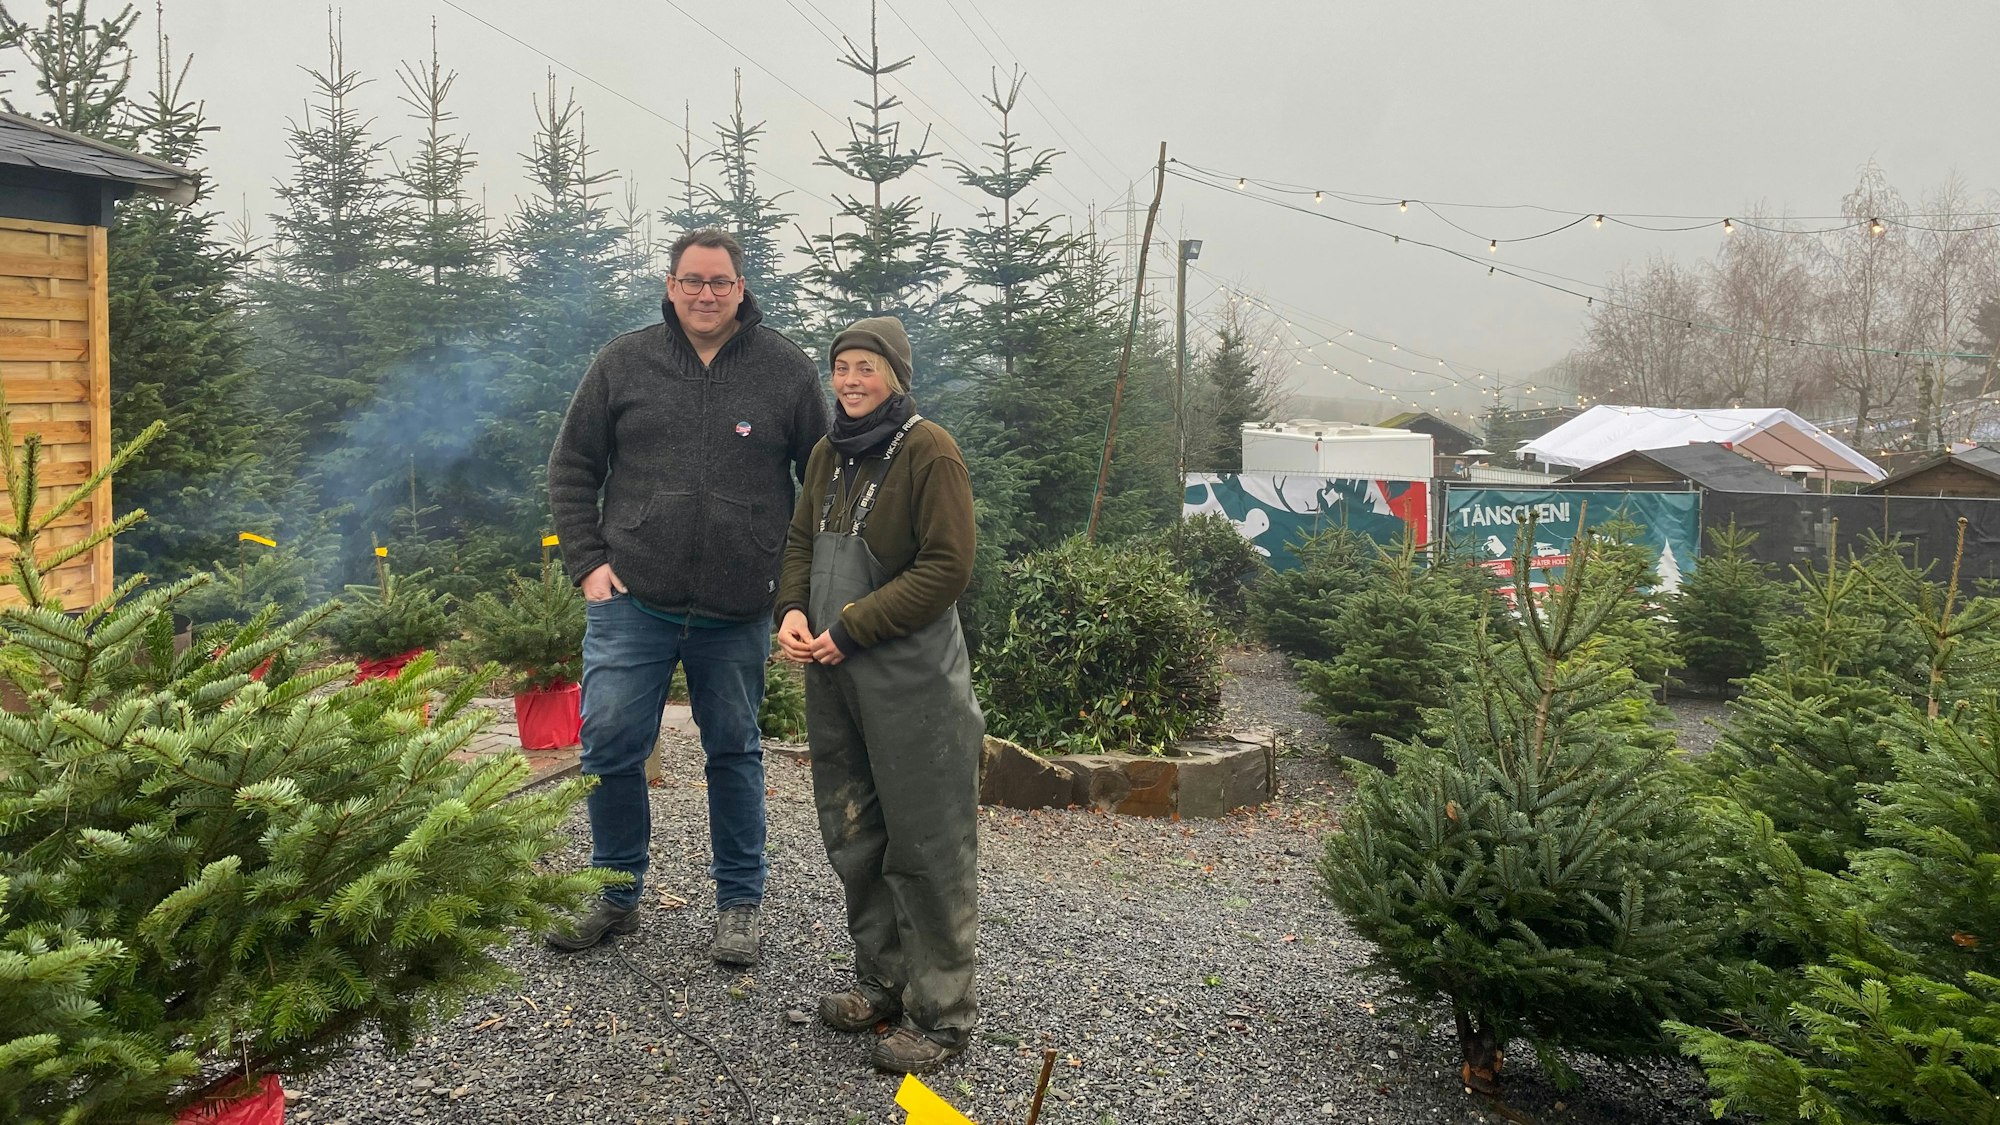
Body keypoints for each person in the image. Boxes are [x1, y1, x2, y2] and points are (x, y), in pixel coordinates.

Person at [545, 228, 828, 964]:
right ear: (670, 284)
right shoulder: (623, 362)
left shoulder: (787, 371)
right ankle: (615, 891)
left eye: (720, 282)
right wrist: (588, 566)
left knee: (733, 749)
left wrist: (791, 591)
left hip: (737, 610)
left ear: (742, 288)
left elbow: (821, 489)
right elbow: (572, 466)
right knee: (608, 743)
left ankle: (739, 902)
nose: (706, 294)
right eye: (692, 280)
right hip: (632, 599)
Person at [774, 316, 985, 1075]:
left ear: (896, 375)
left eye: (867, 367)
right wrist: (792, 611)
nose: (853, 380)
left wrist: (856, 623)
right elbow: (801, 542)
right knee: (855, 832)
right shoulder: (830, 452)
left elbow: (947, 566)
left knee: (926, 842)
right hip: (836, 677)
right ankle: (883, 982)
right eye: (843, 367)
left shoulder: (931, 451)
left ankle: (941, 1014)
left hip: (911, 681)